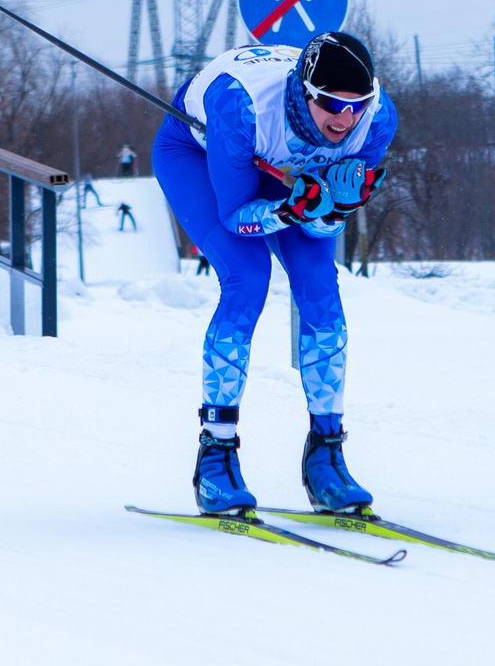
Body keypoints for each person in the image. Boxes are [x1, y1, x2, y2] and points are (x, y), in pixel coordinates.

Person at [153, 32, 396, 515]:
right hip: (203, 154)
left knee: (321, 287)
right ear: (306, 91)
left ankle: (326, 454)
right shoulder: (240, 107)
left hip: (281, 171)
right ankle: (215, 455)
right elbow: (236, 215)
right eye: (330, 104)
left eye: (356, 104)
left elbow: (326, 220)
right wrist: (290, 208)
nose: (344, 119)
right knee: (248, 278)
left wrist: (337, 205)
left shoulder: (377, 120)